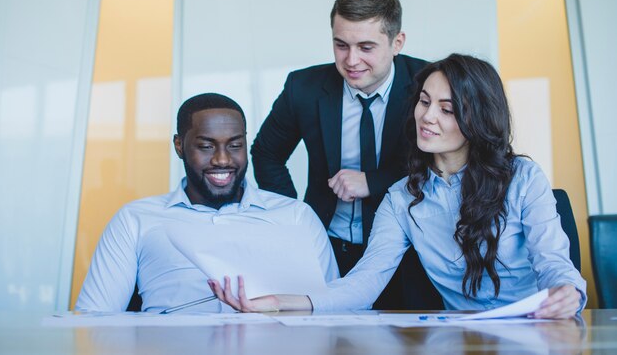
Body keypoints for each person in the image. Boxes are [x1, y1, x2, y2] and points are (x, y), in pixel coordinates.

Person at [209, 54, 587, 319]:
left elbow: (553, 261)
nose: (427, 116)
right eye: (424, 102)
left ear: (478, 118)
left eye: (446, 108)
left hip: (539, 328)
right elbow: (364, 284)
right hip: (464, 338)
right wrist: (277, 302)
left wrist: (569, 294)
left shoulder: (523, 177)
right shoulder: (402, 197)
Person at [251, 0, 433, 308]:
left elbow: (446, 161)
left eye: (366, 47)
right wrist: (293, 216)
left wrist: (373, 181)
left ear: (397, 42)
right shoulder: (303, 87)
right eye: (341, 45)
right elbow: (266, 152)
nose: (351, 60)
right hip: (326, 250)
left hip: (410, 251)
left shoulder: (430, 84)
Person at [76, 93, 338, 313]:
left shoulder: (296, 216)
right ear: (179, 146)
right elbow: (93, 321)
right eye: (206, 147)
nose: (223, 160)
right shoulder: (135, 220)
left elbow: (335, 310)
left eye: (235, 145)